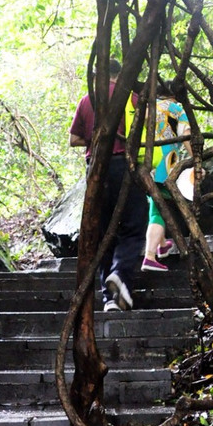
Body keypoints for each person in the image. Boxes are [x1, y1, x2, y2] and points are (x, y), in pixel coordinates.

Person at [69, 58, 147, 312]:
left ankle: (108, 297)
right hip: (124, 166)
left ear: (98, 76)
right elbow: (144, 135)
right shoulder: (131, 98)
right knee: (133, 226)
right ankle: (120, 274)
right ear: (121, 74)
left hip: (96, 171)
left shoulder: (87, 100)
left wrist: (94, 139)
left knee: (103, 231)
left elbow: (74, 139)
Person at [140, 84, 191, 273]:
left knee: (156, 203)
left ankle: (162, 245)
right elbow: (186, 135)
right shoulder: (175, 108)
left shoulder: (146, 108)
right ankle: (150, 256)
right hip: (166, 163)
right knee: (159, 210)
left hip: (146, 164)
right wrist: (196, 160)